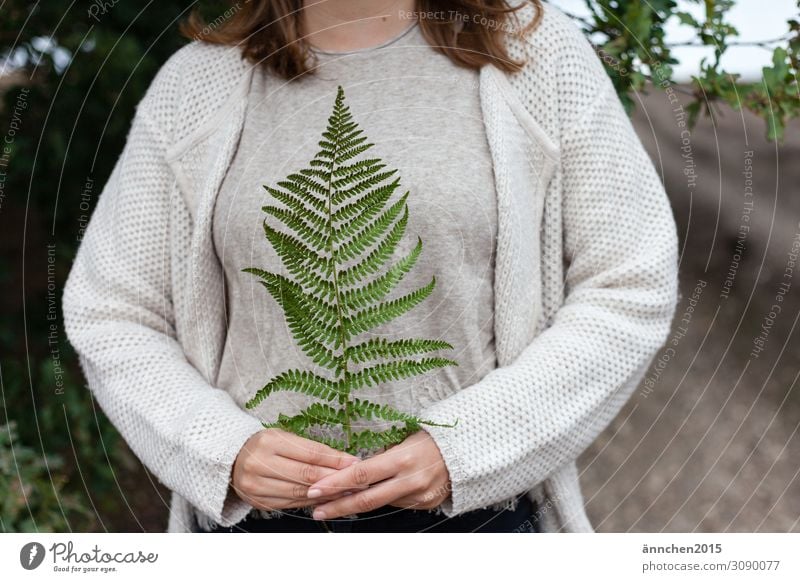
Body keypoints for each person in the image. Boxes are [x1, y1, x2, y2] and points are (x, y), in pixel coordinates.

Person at [62, 0, 679, 534]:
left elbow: (629, 281)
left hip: (476, 525)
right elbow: (112, 309)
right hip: (258, 532)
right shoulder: (198, 84)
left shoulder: (534, 57)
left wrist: (468, 446)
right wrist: (220, 450)